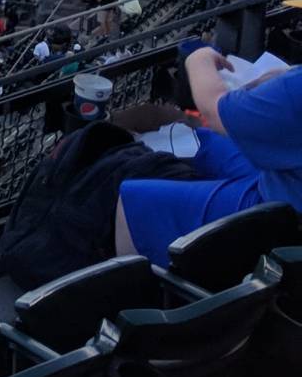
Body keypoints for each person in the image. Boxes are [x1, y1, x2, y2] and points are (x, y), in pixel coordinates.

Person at [117, 46, 302, 260]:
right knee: (204, 140)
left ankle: (154, 281)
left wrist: (198, 59)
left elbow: (214, 111)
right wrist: (287, 76)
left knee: (132, 202)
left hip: (287, 218)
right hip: (287, 181)